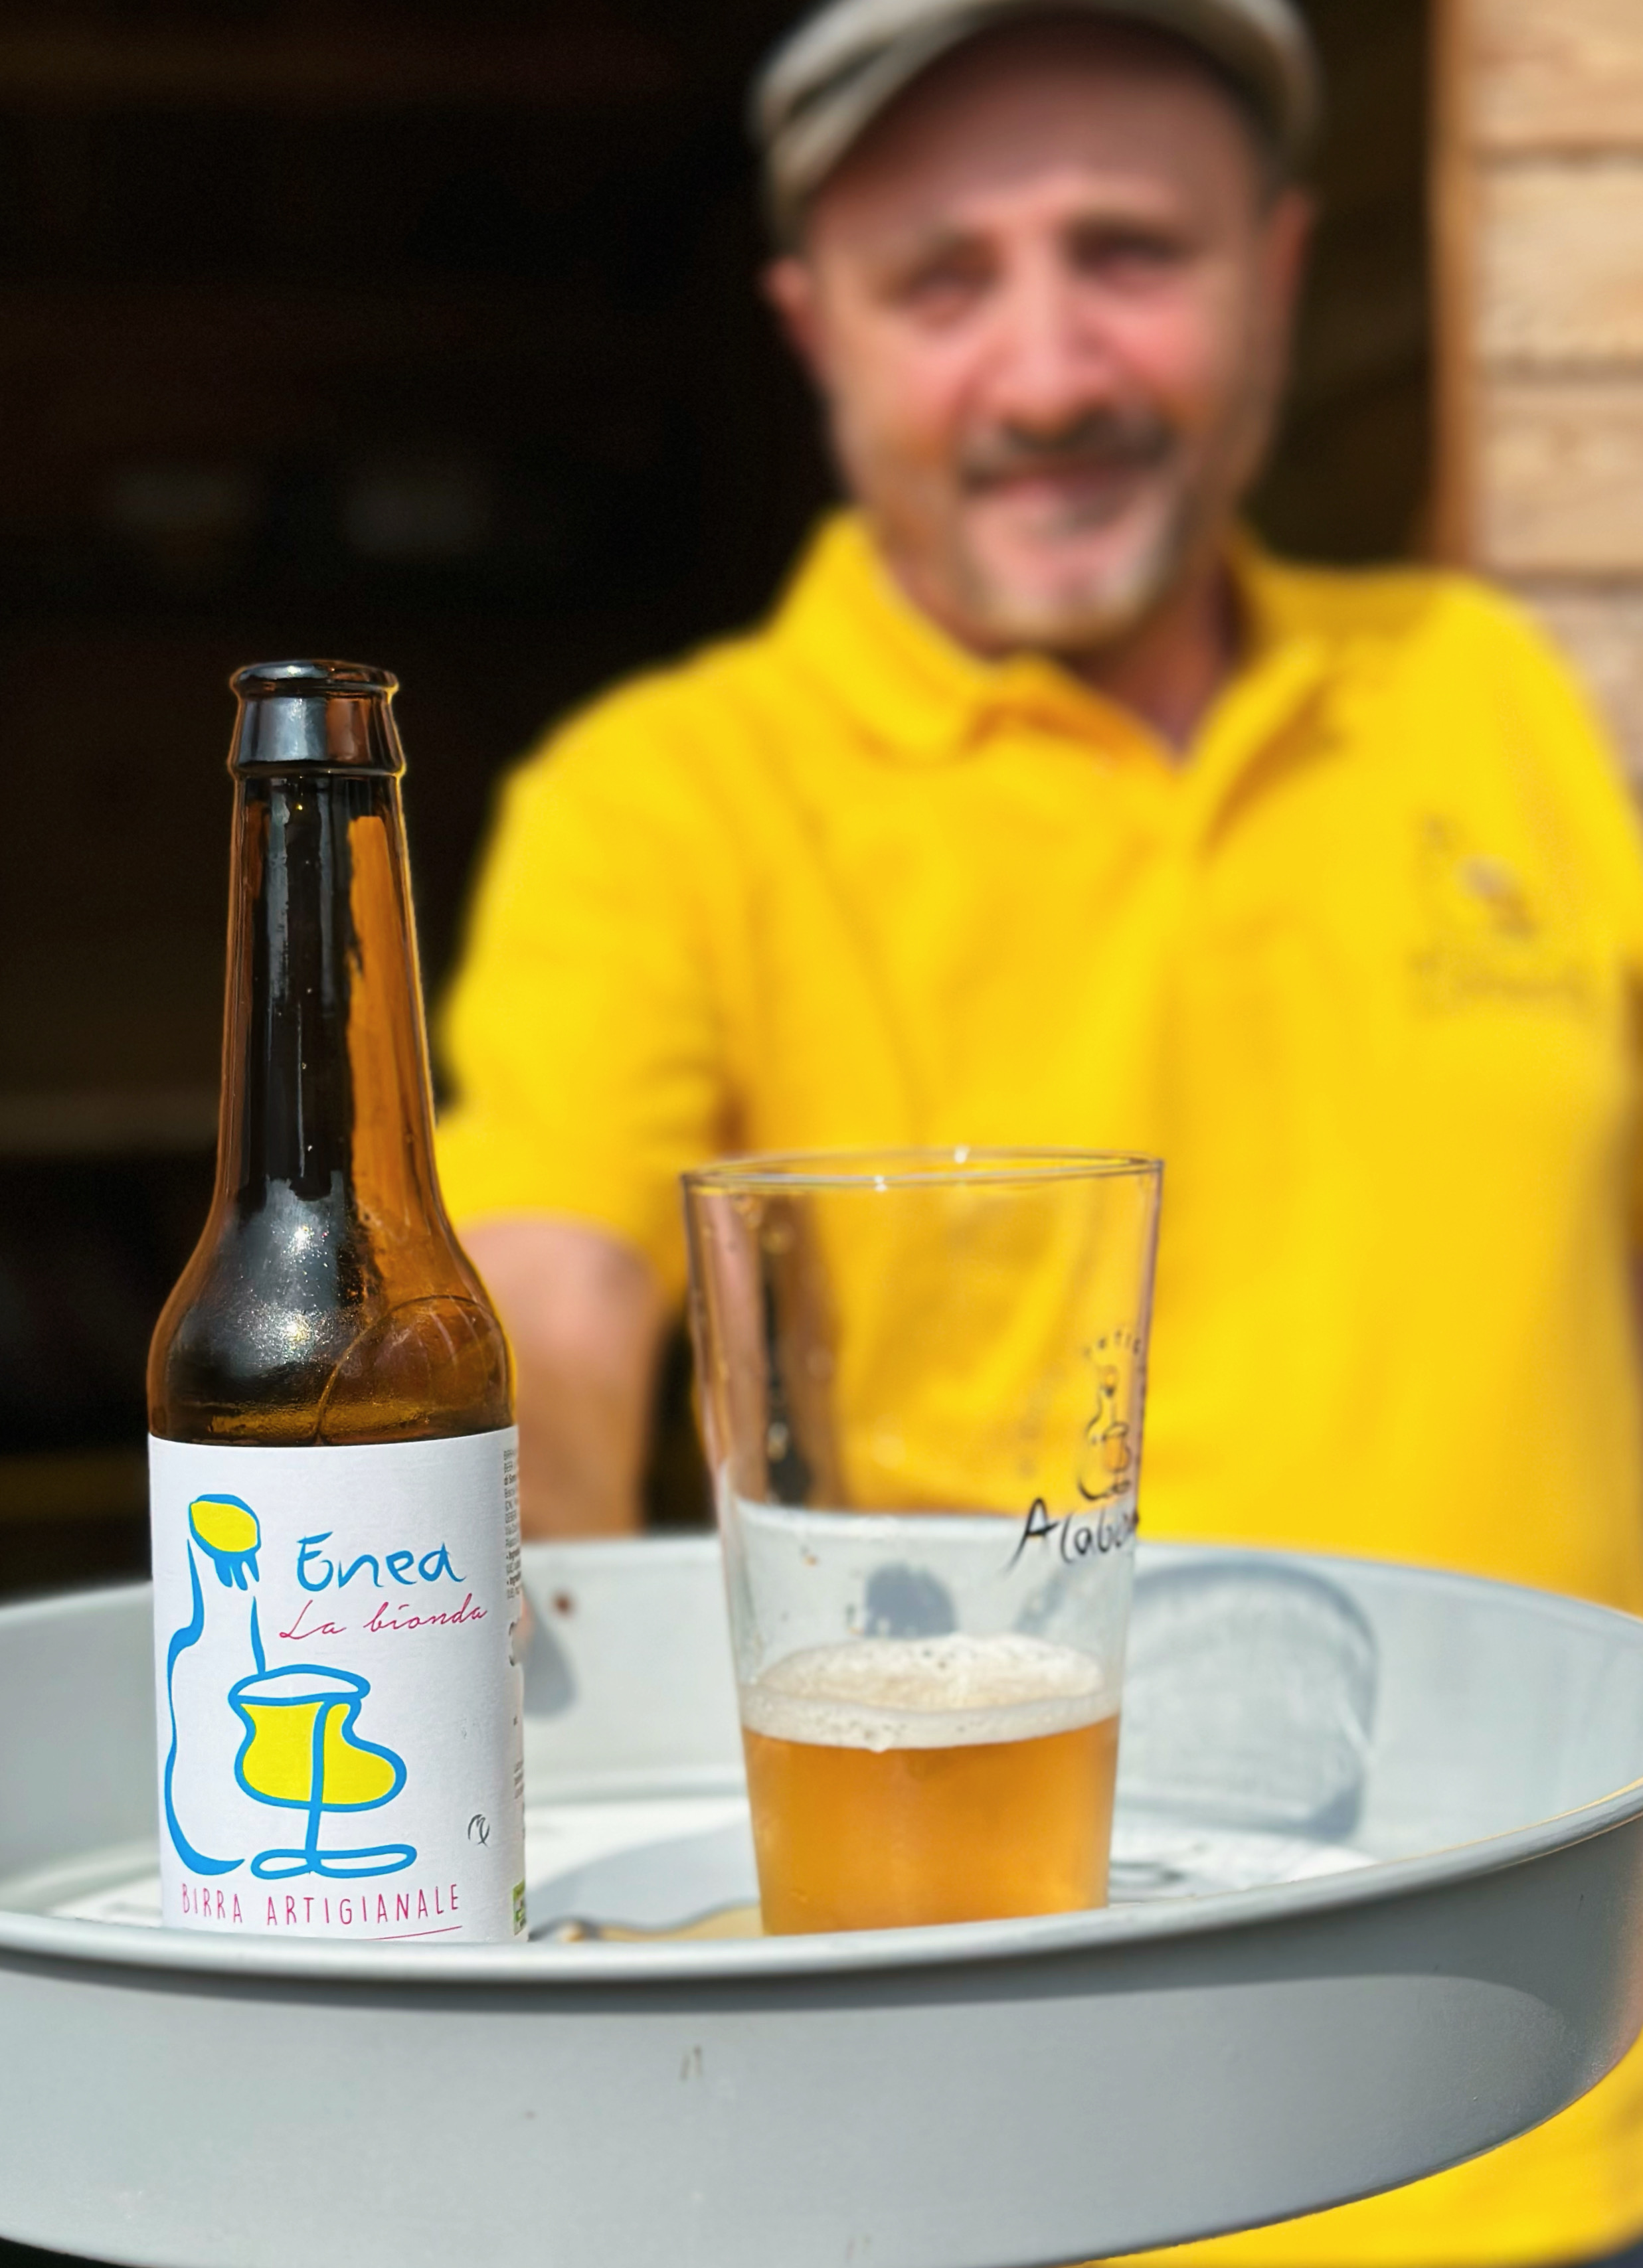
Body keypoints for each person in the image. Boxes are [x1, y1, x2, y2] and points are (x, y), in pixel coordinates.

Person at [435, 0, 1643, 2259]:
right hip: (1012, 2179)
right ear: (812, 330)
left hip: (1574, 2103)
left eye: (1128, 252)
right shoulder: (662, 801)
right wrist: (487, 1560)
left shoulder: (1480, 699)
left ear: (1279, 275)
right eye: (941, 281)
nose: (1047, 370)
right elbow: (547, 1302)